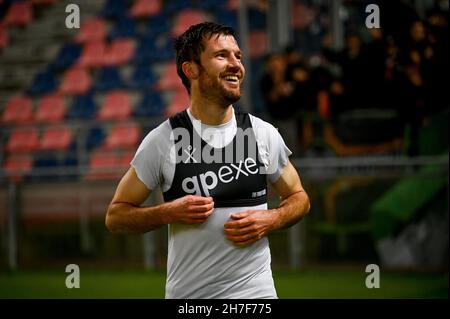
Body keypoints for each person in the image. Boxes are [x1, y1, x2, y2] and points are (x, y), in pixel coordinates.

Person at [105, 22, 310, 299]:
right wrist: (168, 212)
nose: (236, 64)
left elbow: (299, 198)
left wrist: (272, 218)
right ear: (191, 69)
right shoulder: (164, 139)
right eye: (222, 55)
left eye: (238, 56)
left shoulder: (262, 133)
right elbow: (115, 216)